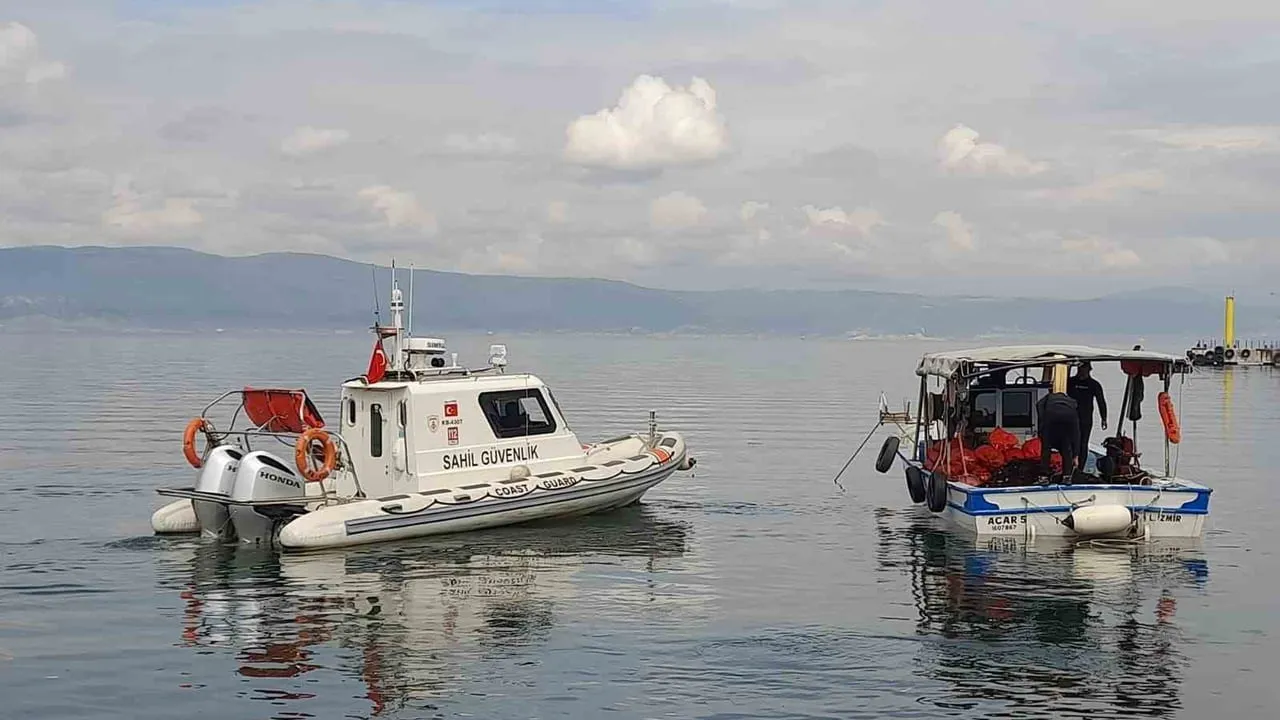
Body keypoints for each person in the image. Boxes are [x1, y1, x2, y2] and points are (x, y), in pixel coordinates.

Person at [1067, 361, 1108, 471]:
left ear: (1089, 369)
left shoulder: (1094, 384)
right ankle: (1068, 467)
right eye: (1080, 369)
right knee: (1070, 443)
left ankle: (1080, 469)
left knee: (1083, 444)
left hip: (1086, 419)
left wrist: (1104, 418)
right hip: (1070, 418)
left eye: (1084, 369)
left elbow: (1101, 402)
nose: (1082, 371)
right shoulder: (1070, 382)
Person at [1036, 390, 1079, 481]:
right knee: (1067, 446)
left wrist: (1042, 424)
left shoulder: (1048, 397)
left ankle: (1044, 476)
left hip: (1051, 416)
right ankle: (1067, 476)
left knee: (1046, 448)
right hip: (1069, 418)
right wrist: (1076, 455)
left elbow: (1039, 405)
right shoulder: (1072, 401)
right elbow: (1076, 434)